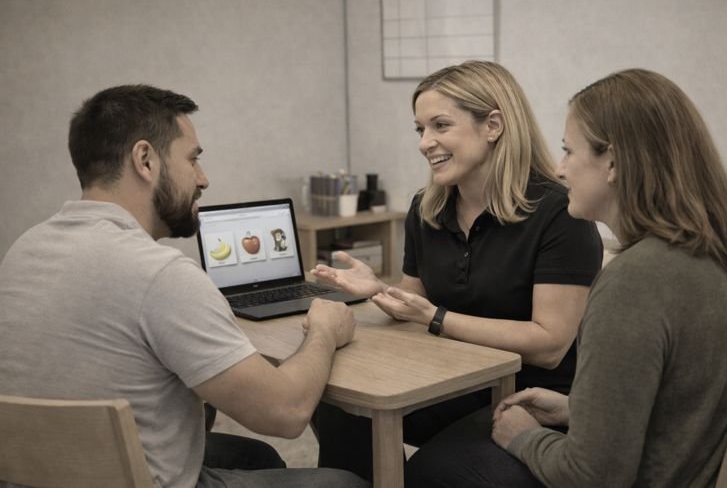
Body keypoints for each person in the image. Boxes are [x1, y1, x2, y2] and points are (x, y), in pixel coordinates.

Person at [0, 85, 367, 488]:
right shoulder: (160, 275)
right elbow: (285, 412)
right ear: (146, 160)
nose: (203, 179)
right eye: (193, 159)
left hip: (45, 473)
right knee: (344, 483)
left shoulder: (25, 248)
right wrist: (324, 331)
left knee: (253, 455)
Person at [310, 61, 603, 482]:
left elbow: (549, 343)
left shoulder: (559, 212)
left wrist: (436, 318)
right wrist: (378, 290)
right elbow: (416, 301)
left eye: (440, 125)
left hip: (533, 396)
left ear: (493, 125)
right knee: (339, 403)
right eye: (420, 129)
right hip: (451, 379)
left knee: (434, 473)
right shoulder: (427, 208)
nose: (425, 142)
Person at [491, 68, 727, 487]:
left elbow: (592, 477)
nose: (559, 169)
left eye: (568, 151)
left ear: (612, 160)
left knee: (439, 469)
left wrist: (523, 436)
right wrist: (583, 409)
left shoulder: (634, 282)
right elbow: (696, 406)